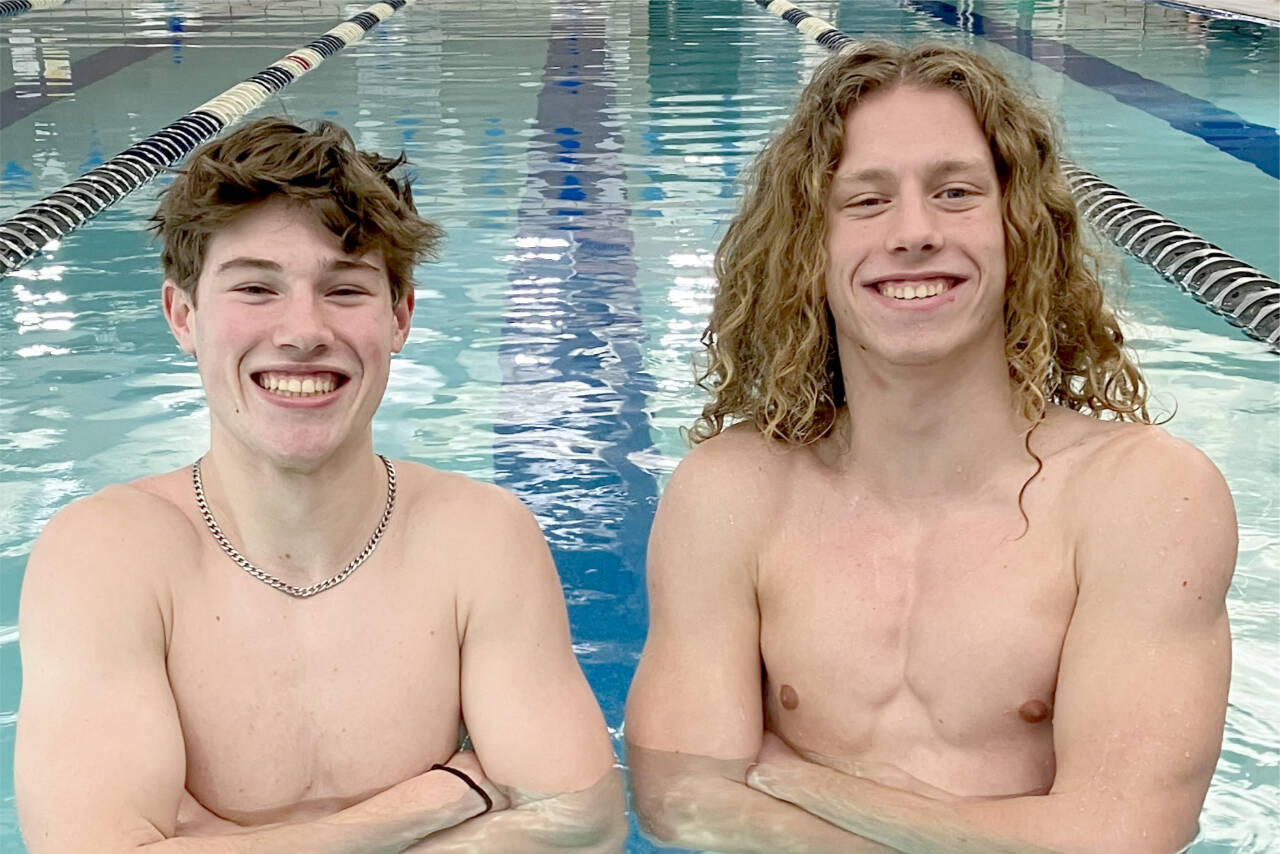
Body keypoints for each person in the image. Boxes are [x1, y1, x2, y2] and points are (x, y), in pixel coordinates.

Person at [625, 41, 1236, 854]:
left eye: (955, 193)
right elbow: (679, 802)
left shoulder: (1144, 496)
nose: (914, 233)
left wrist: (798, 781)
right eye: (866, 201)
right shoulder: (731, 493)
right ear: (808, 246)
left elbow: (1120, 838)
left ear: (1020, 230)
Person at [16, 118, 624, 854]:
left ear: (399, 318)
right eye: (255, 287)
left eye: (344, 288)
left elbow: (581, 826)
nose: (303, 330)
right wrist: (440, 798)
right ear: (184, 316)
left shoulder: (478, 536)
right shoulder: (108, 556)